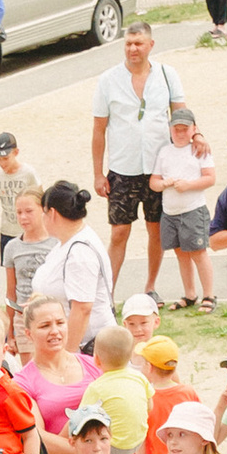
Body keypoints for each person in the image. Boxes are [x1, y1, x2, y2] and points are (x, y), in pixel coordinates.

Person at [89, 17, 177, 297]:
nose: (132, 49)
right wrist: (98, 173)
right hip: (122, 169)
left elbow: (182, 116)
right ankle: (108, 293)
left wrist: (195, 138)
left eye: (138, 43)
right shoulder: (108, 80)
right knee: (118, 233)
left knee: (156, 230)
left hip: (157, 168)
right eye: (128, 43)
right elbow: (99, 129)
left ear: (151, 45)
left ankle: (150, 287)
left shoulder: (166, 75)